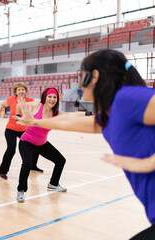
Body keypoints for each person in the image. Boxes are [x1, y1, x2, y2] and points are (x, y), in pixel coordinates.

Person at [14, 49, 155, 239]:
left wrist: (150, 162)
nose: (80, 84)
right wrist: (33, 122)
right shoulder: (111, 114)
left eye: (81, 76)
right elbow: (67, 121)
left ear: (94, 76)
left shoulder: (126, 97)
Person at [15, 87, 68, 203]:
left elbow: (72, 115)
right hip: (27, 142)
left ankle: (53, 184)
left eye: (55, 97)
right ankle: (21, 190)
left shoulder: (56, 113)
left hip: (41, 144)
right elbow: (20, 105)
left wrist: (88, 114)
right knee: (27, 164)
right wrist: (18, 115)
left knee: (60, 160)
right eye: (50, 96)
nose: (52, 99)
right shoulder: (37, 105)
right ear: (45, 97)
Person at [0, 82, 43, 180]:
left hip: (24, 130)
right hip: (11, 129)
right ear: (16, 92)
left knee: (35, 145)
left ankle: (33, 166)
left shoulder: (30, 100)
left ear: (25, 91)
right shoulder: (11, 100)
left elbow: (40, 102)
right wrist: (0, 112)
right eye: (19, 90)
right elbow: (2, 104)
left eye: (23, 89)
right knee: (11, 149)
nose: (21, 91)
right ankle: (3, 171)